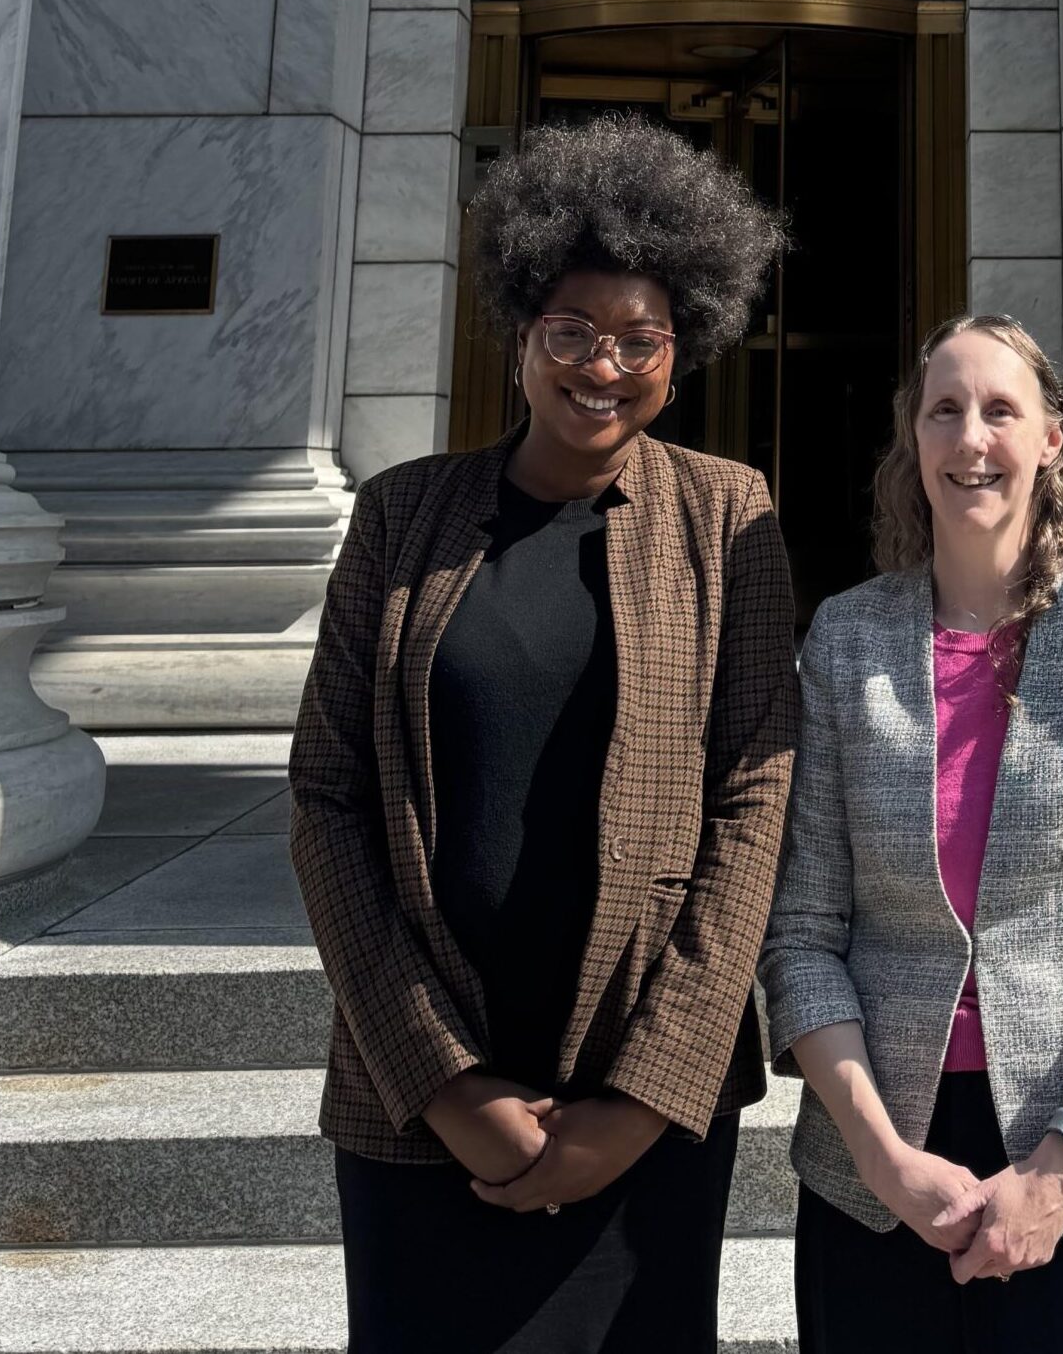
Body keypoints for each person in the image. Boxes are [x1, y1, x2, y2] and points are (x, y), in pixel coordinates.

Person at [288, 115, 793, 1353]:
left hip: (642, 1100)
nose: (602, 365)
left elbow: (754, 799)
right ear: (522, 332)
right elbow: (327, 800)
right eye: (571, 330)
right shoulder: (400, 515)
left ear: (685, 351)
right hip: (422, 1102)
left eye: (640, 339)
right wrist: (444, 1080)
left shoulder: (729, 513)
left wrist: (636, 1101)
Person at [758, 315, 1063, 1352]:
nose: (971, 438)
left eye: (1000, 410)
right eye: (944, 410)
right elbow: (799, 928)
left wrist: (1061, 1164)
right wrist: (885, 1160)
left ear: (1051, 438)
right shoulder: (845, 635)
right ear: (912, 442)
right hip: (872, 1176)